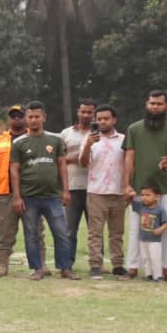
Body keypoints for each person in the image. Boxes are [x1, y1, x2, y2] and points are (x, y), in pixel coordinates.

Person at [10, 101, 79, 281]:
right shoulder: (18, 143)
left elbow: (62, 166)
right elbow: (14, 171)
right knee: (31, 234)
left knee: (61, 233)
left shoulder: (55, 140)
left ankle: (65, 268)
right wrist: (17, 197)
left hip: (52, 196)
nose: (34, 120)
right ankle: (37, 268)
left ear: (44, 118)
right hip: (29, 196)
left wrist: (66, 190)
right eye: (30, 117)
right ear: (26, 119)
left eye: (37, 117)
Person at [0, 105, 49, 277]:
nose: (17, 119)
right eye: (13, 116)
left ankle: (41, 263)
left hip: (31, 191)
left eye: (20, 115)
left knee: (35, 229)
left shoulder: (35, 137)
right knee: (5, 229)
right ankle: (2, 264)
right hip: (6, 192)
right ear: (9, 119)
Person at [122, 90, 167, 281]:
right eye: (152, 103)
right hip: (140, 189)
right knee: (136, 228)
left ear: (166, 106)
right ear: (146, 104)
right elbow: (129, 157)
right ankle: (133, 268)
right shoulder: (134, 129)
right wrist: (126, 185)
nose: (155, 107)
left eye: (159, 104)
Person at [79, 104, 127, 280]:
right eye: (99, 119)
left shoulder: (123, 139)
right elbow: (83, 163)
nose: (102, 122)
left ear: (114, 119)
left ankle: (118, 265)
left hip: (118, 191)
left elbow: (129, 163)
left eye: (106, 118)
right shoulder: (89, 139)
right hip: (96, 191)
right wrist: (88, 146)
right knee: (95, 232)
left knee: (117, 231)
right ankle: (95, 266)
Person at [60, 98, 96, 266]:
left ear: (94, 114)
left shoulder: (99, 134)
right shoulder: (66, 134)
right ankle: (68, 264)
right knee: (69, 230)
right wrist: (75, 157)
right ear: (77, 112)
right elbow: (58, 160)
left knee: (94, 230)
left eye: (89, 112)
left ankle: (97, 263)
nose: (86, 115)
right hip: (72, 187)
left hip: (95, 188)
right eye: (83, 111)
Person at [133, 186, 167, 282]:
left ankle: (158, 276)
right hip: (143, 239)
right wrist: (129, 195)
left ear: (157, 197)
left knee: (155, 258)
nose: (144, 197)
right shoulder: (141, 207)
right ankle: (148, 275)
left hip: (154, 240)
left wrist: (160, 230)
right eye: (142, 195)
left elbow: (166, 222)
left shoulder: (160, 209)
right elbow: (129, 201)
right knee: (145, 258)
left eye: (148, 195)